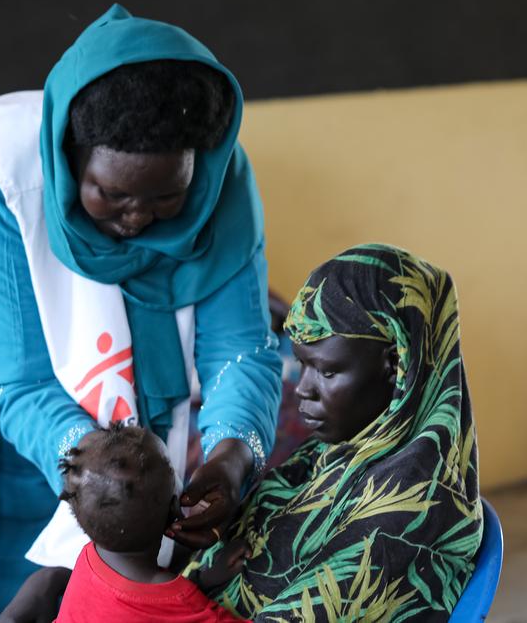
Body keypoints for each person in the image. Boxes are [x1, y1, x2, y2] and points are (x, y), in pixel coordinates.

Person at [0, 4, 281, 623]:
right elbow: (19, 378)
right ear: (70, 157)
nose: (136, 220)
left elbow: (239, 348)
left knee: (110, 546)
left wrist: (230, 458)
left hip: (83, 405)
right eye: (110, 194)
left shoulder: (223, 185)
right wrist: (96, 466)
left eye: (167, 197)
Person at [183, 243, 483, 621]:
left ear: (397, 364)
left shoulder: (409, 509)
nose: (303, 388)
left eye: (326, 372)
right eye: (302, 364)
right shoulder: (333, 453)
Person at [44, 424, 246, 622]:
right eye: (170, 466)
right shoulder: (176, 599)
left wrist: (204, 581)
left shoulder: (88, 557)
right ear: (176, 507)